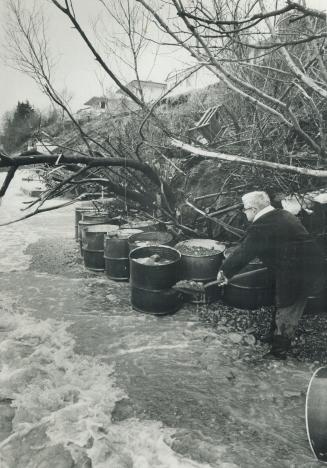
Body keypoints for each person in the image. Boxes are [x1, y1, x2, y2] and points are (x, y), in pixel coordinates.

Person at [217, 191, 325, 359]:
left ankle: (279, 351)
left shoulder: (263, 225)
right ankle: (274, 336)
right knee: (281, 299)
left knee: (287, 306)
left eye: (244, 209)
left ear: (253, 209)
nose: (244, 212)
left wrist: (225, 271)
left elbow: (245, 251)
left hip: (300, 272)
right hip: (298, 266)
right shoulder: (281, 214)